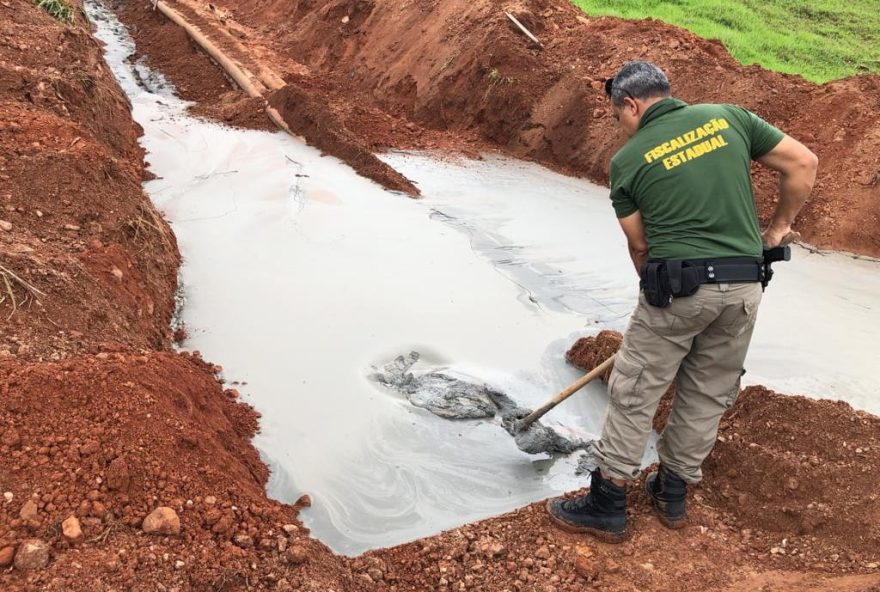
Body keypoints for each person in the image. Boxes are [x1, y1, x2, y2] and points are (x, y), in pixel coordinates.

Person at [546, 61, 818, 542]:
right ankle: (671, 492)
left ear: (631, 105)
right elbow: (803, 163)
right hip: (744, 285)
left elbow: (641, 247)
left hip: (679, 287)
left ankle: (607, 503)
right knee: (709, 389)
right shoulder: (730, 117)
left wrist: (654, 299)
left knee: (635, 391)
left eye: (618, 118)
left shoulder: (628, 161)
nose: (621, 129)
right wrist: (773, 232)